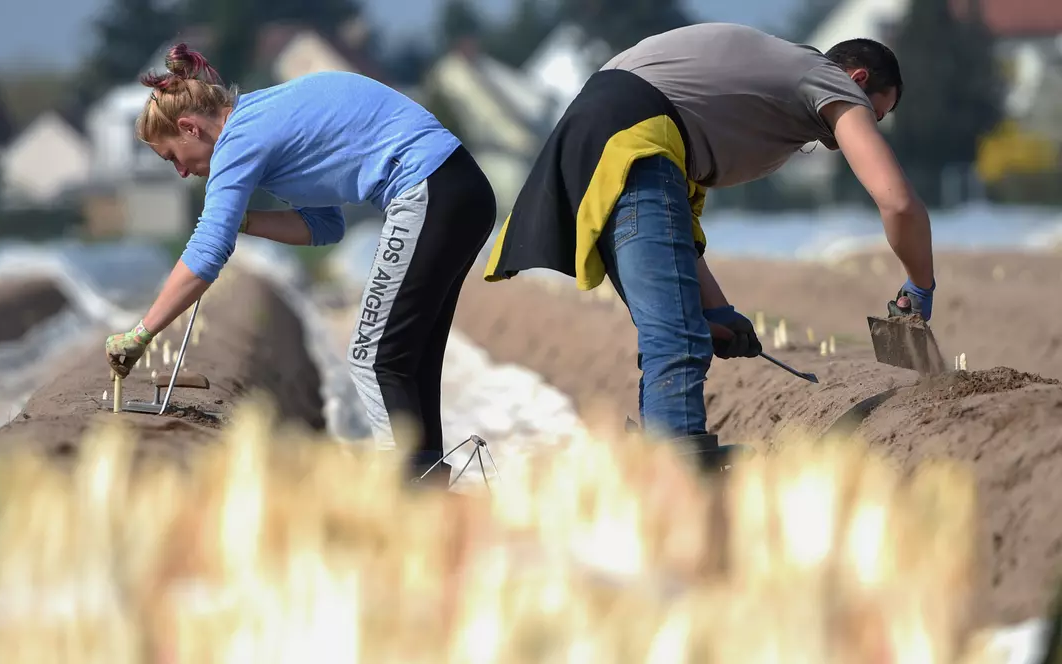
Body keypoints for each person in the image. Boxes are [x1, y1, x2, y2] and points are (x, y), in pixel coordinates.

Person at [483, 23, 935, 464]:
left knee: (675, 326)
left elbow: (670, 217)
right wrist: (919, 286)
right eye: (876, 113)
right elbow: (897, 203)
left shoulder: (772, 76)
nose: (870, 123)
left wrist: (716, 309)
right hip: (635, 140)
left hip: (601, 137)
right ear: (857, 81)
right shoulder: (825, 80)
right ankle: (679, 476)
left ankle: (664, 455)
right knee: (677, 337)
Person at [104, 44, 498, 487]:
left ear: (190, 128)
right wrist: (245, 220)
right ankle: (427, 489)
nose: (180, 172)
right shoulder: (267, 119)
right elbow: (324, 226)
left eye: (172, 157)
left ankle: (410, 498)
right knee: (408, 355)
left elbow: (207, 252)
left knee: (373, 356)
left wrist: (141, 334)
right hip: (462, 187)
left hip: (427, 188)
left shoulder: (240, 139)